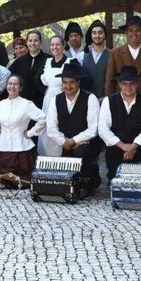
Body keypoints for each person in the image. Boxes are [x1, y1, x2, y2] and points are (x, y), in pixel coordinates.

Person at [44, 61, 103, 192]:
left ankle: (88, 183)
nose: (68, 86)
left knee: (81, 152)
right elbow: (51, 128)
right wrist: (64, 141)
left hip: (88, 142)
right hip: (66, 143)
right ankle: (76, 183)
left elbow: (94, 128)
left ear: (78, 82)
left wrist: (74, 140)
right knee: (66, 164)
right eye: (65, 82)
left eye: (71, 82)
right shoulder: (56, 99)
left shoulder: (90, 98)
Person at [99, 65, 141, 181]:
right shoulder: (108, 101)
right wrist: (123, 146)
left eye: (132, 83)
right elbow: (103, 129)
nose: (128, 87)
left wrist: (133, 146)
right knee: (115, 178)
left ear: (137, 84)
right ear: (120, 84)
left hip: (139, 146)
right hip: (118, 146)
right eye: (125, 83)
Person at [0, 75, 47, 181]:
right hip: (3, 147)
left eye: (15, 84)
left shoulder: (27, 104)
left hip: (22, 148)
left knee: (23, 179)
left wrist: (30, 133)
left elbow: (43, 118)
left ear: (20, 88)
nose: (12, 86)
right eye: (10, 83)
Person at [106, 15, 141, 100]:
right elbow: (110, 82)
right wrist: (110, 104)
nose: (134, 33)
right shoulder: (115, 53)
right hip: (121, 104)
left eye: (138, 30)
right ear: (126, 33)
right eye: (131, 30)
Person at [7, 30, 48, 109]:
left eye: (36, 40)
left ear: (40, 42)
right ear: (27, 42)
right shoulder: (19, 61)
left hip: (41, 102)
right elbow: (9, 77)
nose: (33, 43)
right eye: (30, 41)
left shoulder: (48, 59)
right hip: (22, 103)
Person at [81, 20, 111, 100]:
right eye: (94, 33)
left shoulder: (112, 55)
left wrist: (106, 97)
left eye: (100, 33)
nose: (97, 35)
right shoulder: (83, 55)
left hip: (106, 100)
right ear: (91, 35)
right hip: (86, 100)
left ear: (105, 35)